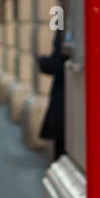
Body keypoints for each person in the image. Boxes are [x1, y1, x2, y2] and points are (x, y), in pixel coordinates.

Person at [37, 29, 68, 161]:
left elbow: (56, 64)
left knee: (61, 147)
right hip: (67, 97)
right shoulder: (65, 26)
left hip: (64, 98)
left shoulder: (64, 28)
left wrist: (43, 62)